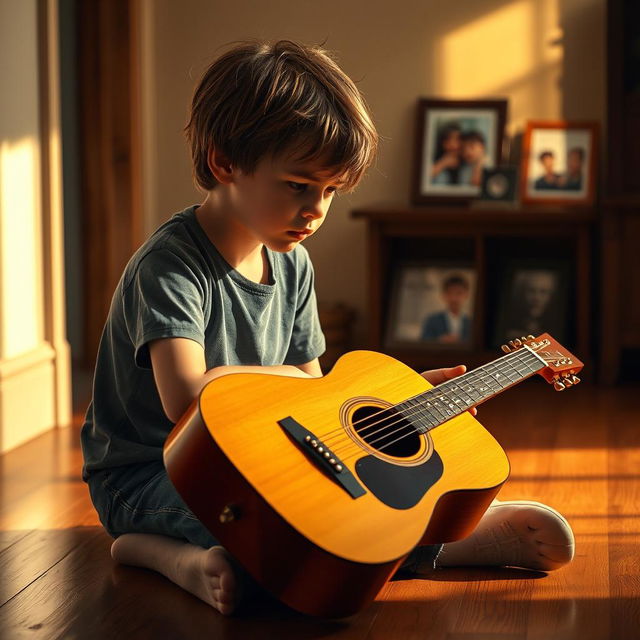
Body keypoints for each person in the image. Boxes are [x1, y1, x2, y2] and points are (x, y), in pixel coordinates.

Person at [80, 40, 575, 617]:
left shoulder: (293, 263)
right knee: (280, 551)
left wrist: (404, 400)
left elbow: (316, 395)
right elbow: (185, 400)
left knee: (328, 538)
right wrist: (287, 374)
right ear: (224, 163)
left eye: (331, 191)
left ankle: (433, 536)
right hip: (151, 474)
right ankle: (157, 554)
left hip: (255, 460)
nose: (315, 209)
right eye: (297, 185)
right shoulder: (170, 266)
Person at [421, 274, 471, 343]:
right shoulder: (432, 320)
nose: (454, 298)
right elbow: (423, 342)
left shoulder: (471, 323)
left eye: (459, 293)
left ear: (466, 295)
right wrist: (440, 340)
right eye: (450, 293)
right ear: (444, 295)